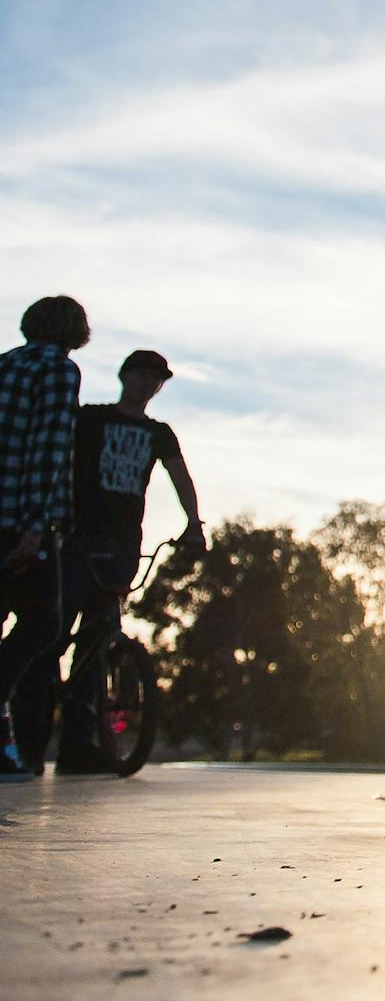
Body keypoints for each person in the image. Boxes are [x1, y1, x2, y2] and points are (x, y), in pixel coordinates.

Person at [12, 349, 203, 773]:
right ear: (124, 376)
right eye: (139, 374)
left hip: (122, 544)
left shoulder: (159, 434)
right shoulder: (91, 419)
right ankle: (28, 744)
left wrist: (194, 524)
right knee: (51, 637)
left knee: (98, 641)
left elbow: (179, 476)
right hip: (77, 539)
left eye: (155, 378)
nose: (145, 383)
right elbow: (53, 457)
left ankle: (78, 747)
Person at [0, 296, 90, 779]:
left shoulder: (5, 363)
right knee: (42, 625)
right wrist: (36, 527)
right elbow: (48, 449)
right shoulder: (58, 370)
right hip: (21, 521)